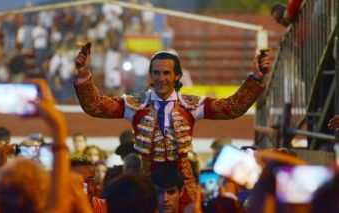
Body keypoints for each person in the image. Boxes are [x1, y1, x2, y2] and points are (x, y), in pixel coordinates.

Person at [74, 45, 270, 205]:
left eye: (167, 73)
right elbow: (96, 107)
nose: (161, 78)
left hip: (184, 185)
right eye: (156, 73)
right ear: (150, 76)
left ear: (177, 76)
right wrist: (83, 75)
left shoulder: (191, 105)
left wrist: (256, 78)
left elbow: (232, 108)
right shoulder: (135, 104)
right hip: (149, 183)